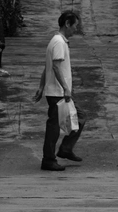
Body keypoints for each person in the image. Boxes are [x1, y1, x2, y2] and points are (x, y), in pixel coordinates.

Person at [34, 10, 86, 172]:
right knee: (54, 126)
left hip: (59, 91)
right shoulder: (58, 42)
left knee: (79, 118)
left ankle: (65, 149)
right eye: (75, 26)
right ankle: (49, 159)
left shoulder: (58, 41)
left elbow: (48, 67)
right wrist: (65, 88)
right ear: (67, 24)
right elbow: (55, 67)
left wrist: (41, 86)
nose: (76, 29)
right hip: (58, 92)